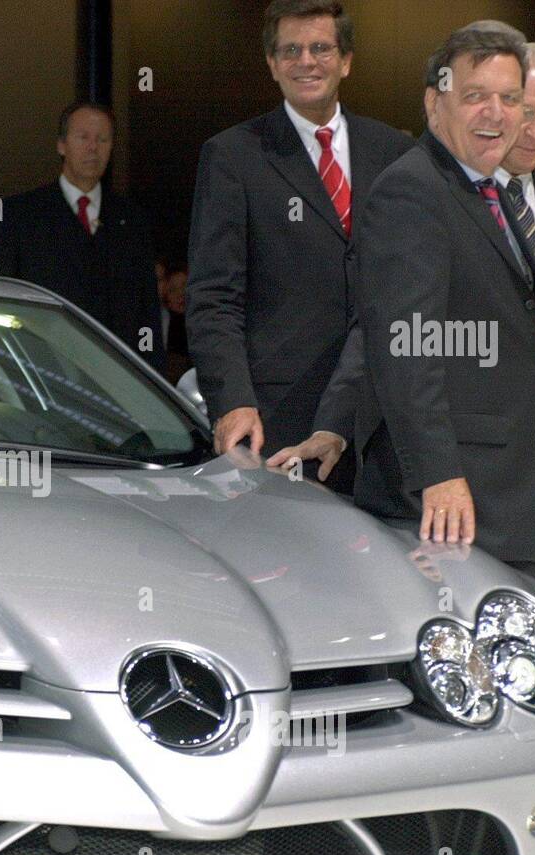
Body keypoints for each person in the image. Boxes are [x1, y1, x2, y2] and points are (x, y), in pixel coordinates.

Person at [349, 25, 535, 628]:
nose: (498, 115)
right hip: (463, 506)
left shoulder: (485, 191)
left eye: (510, 98)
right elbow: (405, 349)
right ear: (433, 101)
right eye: (476, 96)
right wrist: (438, 472)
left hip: (533, 493)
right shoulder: (413, 191)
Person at [185, 0, 411, 490]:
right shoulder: (234, 155)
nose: (306, 61)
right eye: (290, 50)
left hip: (386, 417)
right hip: (278, 423)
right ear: (271, 64)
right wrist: (232, 402)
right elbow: (212, 297)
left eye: (320, 48)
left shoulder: (396, 153)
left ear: (346, 60)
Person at [0, 102, 164, 373]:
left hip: (119, 377)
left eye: (103, 139)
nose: (93, 147)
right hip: (42, 372)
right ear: (61, 145)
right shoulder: (21, 216)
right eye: (83, 137)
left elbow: (147, 310)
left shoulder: (132, 219)